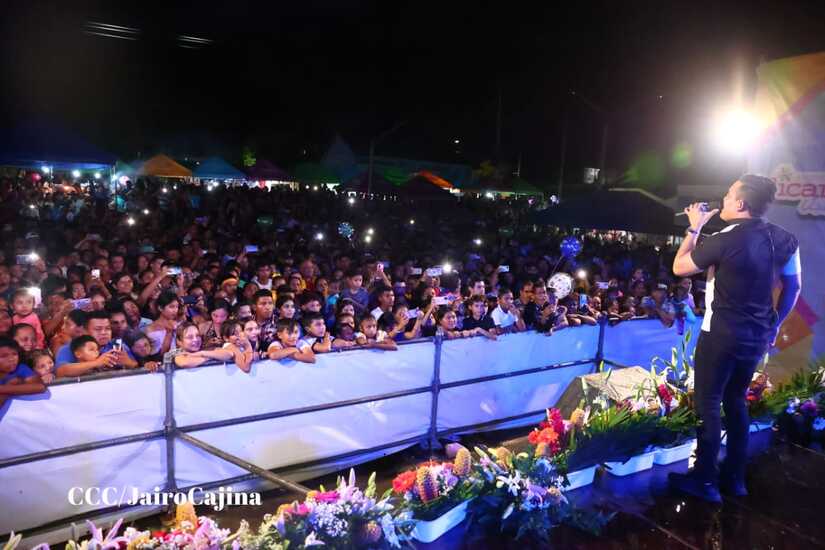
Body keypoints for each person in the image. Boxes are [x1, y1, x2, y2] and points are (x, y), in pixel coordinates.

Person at [669, 174, 801, 503]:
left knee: (708, 403)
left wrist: (694, 228)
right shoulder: (786, 239)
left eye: (729, 195)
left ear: (741, 203)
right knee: (736, 401)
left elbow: (680, 267)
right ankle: (735, 479)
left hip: (720, 335)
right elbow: (794, 286)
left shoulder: (724, 237)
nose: (724, 199)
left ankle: (704, 480)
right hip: (756, 337)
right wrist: (774, 323)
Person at [55, 310, 138, 376]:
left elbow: (136, 366)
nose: (104, 333)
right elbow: (61, 372)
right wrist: (97, 363)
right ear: (85, 331)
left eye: (108, 328)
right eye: (98, 329)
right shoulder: (70, 348)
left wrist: (129, 363)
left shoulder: (117, 345)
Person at [167, 322, 237, 369]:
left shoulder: (204, 350)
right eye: (190, 337)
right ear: (179, 341)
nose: (195, 339)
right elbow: (184, 363)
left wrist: (202, 353)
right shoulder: (175, 353)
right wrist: (209, 357)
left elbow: (229, 354)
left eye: (198, 335)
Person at [0, 337, 46, 407]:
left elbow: (40, 387)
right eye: (4, 356)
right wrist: (11, 384)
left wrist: (5, 388)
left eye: (14, 354)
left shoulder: (21, 368)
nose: (11, 359)